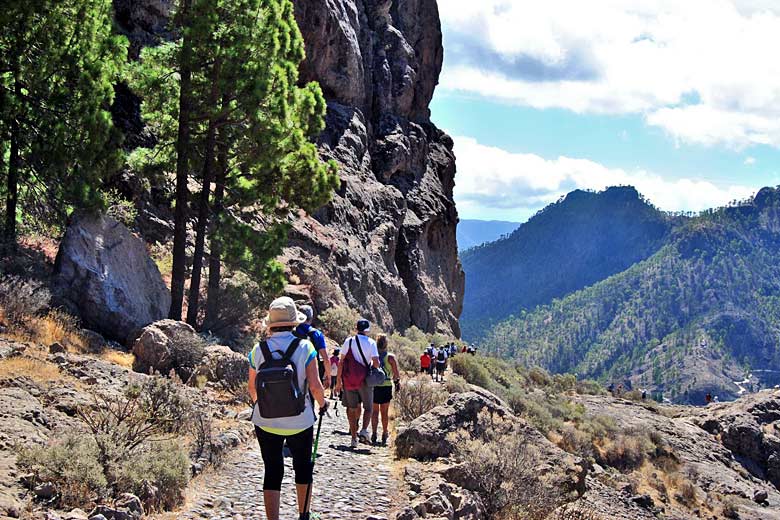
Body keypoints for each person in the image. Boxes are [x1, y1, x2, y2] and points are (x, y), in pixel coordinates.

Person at [247, 297, 329, 520]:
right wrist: (323, 404)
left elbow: (252, 387)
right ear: (294, 322)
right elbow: (314, 385)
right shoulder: (305, 347)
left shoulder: (258, 350)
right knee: (303, 467)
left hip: (265, 421)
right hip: (300, 421)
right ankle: (304, 514)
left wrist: (262, 406)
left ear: (271, 324)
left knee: (272, 470)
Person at [335, 319, 380, 448]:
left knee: (352, 408)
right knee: (368, 407)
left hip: (349, 379)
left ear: (357, 328)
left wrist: (338, 381)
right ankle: (364, 430)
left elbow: (341, 362)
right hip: (364, 379)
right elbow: (376, 362)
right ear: (367, 330)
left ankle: (353, 438)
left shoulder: (348, 341)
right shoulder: (371, 342)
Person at [371, 334, 401, 445]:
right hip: (386, 386)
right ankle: (384, 433)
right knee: (384, 412)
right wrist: (397, 383)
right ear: (386, 344)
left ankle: (374, 433)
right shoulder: (390, 357)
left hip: (374, 386)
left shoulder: (373, 355)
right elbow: (396, 374)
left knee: (374, 412)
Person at [295, 305, 331, 393]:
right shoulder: (316, 334)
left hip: (293, 369)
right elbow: (325, 358)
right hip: (311, 372)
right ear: (311, 318)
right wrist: (328, 376)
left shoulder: (292, 331)